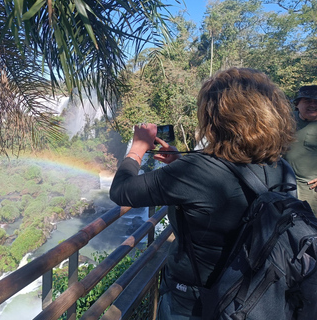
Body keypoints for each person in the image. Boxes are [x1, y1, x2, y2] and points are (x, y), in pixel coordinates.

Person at [109, 68, 296, 319]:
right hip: (257, 291)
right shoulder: (281, 166)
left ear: (215, 118)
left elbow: (121, 192)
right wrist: (179, 162)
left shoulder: (197, 170)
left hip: (195, 299)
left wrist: (137, 149)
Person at [283, 85, 317, 215]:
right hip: (282, 185)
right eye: (308, 101)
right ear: (297, 104)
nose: (313, 105)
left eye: (316, 101)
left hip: (310, 191)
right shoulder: (286, 120)